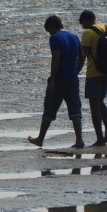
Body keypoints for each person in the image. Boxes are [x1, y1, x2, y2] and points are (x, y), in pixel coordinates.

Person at [28, 15, 85, 148]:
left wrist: (52, 81)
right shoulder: (74, 36)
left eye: (49, 31)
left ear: (52, 27)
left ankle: (40, 139)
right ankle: (79, 140)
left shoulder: (55, 38)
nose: (49, 33)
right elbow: (82, 56)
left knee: (49, 108)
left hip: (60, 79)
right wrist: (76, 71)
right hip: (73, 79)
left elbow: (56, 59)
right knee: (75, 110)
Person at [77, 10, 107, 146]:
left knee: (94, 105)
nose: (82, 27)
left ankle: (100, 138)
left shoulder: (88, 33)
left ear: (85, 20)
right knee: (101, 102)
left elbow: (83, 55)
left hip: (94, 73)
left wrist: (76, 71)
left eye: (82, 24)